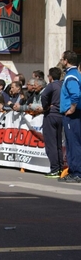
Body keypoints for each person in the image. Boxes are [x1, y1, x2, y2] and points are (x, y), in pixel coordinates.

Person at [59, 50, 81, 183]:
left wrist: (72, 108)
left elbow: (76, 94)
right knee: (73, 142)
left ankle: (77, 172)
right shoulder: (75, 74)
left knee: (73, 143)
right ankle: (74, 171)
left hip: (72, 115)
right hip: (74, 114)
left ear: (66, 60)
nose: (61, 61)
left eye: (62, 59)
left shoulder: (71, 76)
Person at [41, 67, 63, 178]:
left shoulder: (51, 85)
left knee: (51, 144)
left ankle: (54, 169)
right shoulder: (63, 84)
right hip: (61, 115)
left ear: (50, 77)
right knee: (59, 144)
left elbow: (43, 95)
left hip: (51, 115)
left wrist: (45, 107)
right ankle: (60, 168)